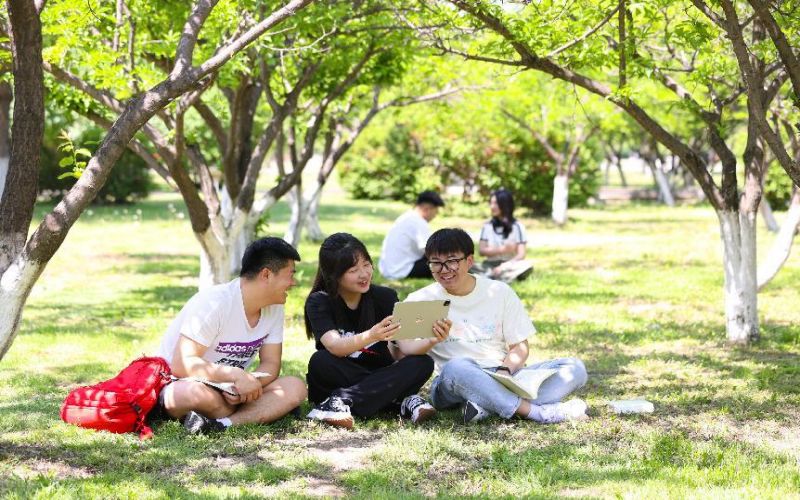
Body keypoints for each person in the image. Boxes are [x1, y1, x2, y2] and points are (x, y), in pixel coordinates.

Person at [405, 228, 588, 424]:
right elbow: (404, 349)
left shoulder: (499, 291)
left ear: (469, 261)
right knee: (457, 366)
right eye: (436, 263)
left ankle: (484, 405)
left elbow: (520, 346)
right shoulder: (421, 299)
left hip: (503, 373)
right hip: (454, 382)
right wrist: (431, 339)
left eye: (451, 261)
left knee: (575, 368)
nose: (444, 269)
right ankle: (537, 413)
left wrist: (504, 371)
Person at [152, 237, 308, 434]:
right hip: (187, 382)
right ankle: (259, 411)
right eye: (290, 275)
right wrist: (235, 376)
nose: (293, 283)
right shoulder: (215, 302)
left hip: (234, 390)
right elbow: (182, 364)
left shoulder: (274, 307)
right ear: (266, 274)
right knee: (187, 395)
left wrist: (249, 386)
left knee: (295, 387)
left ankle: (222, 424)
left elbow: (271, 363)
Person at [305, 233, 451, 429]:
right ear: (334, 274)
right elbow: (335, 347)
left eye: (366, 265)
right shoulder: (319, 301)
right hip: (342, 373)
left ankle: (340, 402)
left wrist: (433, 339)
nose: (364, 274)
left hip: (378, 371)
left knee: (422, 362)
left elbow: (405, 349)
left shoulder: (385, 296)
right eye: (353, 270)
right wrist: (372, 335)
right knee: (320, 361)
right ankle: (398, 400)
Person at [378, 190, 445, 280]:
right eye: (435, 211)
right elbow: (430, 251)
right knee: (444, 262)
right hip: (401, 270)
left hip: (387, 269)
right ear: (426, 209)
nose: (435, 215)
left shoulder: (407, 217)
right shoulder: (419, 222)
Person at [474, 188, 533, 282]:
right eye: (491, 203)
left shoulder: (518, 226)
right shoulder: (487, 226)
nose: (492, 207)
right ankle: (499, 277)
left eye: (496, 203)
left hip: (510, 264)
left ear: (505, 205)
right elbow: (482, 251)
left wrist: (503, 267)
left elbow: (521, 254)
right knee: (469, 266)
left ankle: (491, 277)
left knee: (527, 265)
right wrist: (503, 249)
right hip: (489, 264)